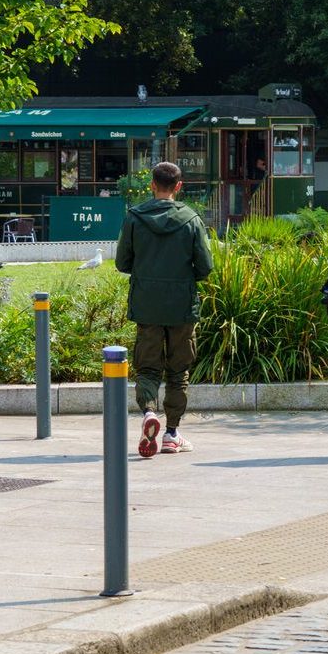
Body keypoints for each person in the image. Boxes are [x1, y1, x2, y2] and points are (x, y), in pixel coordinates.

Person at [116, 161, 213, 458]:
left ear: (152, 185)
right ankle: (171, 433)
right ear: (179, 186)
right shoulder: (191, 219)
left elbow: (122, 263)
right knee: (178, 371)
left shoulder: (135, 217)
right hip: (182, 306)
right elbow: (205, 266)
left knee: (147, 367)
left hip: (146, 304)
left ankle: (148, 412)